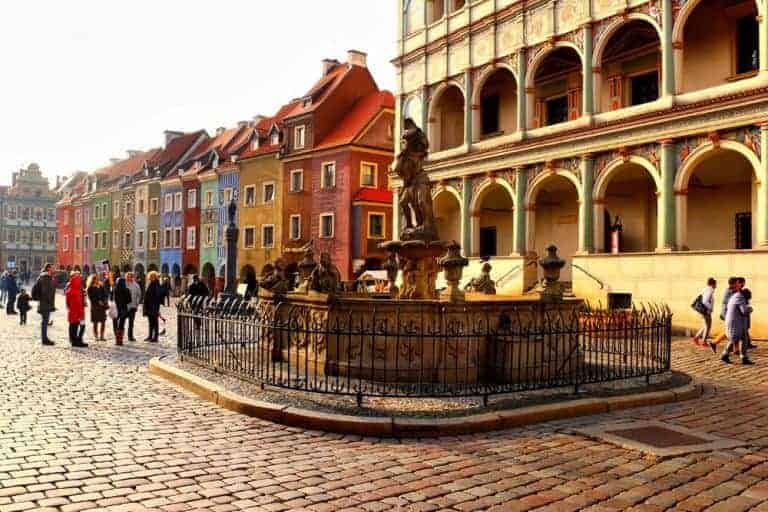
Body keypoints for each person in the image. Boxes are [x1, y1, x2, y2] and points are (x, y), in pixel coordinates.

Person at [722, 282, 753, 365]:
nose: (748, 301)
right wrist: (750, 309)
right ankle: (725, 354)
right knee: (734, 338)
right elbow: (744, 311)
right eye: (748, 299)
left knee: (742, 339)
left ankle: (743, 357)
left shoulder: (736, 296)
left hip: (736, 322)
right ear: (746, 296)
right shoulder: (740, 298)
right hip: (735, 322)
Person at [31, 264, 56, 346]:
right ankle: (44, 339)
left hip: (44, 302)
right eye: (53, 268)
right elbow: (45, 292)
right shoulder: (46, 277)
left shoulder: (44, 277)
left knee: (45, 321)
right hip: (45, 303)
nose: (54, 269)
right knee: (45, 322)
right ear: (49, 268)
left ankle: (44, 338)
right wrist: (49, 301)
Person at [65, 272, 88, 348]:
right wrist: (81, 313)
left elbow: (67, 303)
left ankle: (74, 340)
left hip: (72, 312)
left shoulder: (70, 290)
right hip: (78, 312)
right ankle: (77, 341)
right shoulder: (77, 291)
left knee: (72, 326)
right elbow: (79, 304)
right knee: (79, 326)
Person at [692, 278, 716, 347]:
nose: (716, 286)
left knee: (705, 325)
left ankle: (696, 338)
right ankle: (703, 341)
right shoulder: (710, 290)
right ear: (712, 284)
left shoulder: (706, 289)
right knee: (708, 326)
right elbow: (705, 301)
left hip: (702, 310)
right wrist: (710, 308)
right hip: (705, 311)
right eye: (715, 284)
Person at [86, 274, 108, 341]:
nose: (97, 280)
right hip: (95, 306)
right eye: (95, 279)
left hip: (102, 306)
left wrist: (104, 301)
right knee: (95, 322)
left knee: (103, 321)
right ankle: (96, 336)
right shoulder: (90, 288)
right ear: (92, 280)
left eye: (97, 279)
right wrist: (98, 301)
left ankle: (102, 336)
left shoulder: (101, 286)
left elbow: (105, 294)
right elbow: (91, 297)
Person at [143, 271, 163, 342]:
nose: (151, 278)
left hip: (153, 306)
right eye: (151, 276)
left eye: (153, 276)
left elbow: (157, 297)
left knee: (155, 322)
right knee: (150, 322)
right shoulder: (151, 284)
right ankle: (150, 336)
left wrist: (155, 307)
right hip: (149, 306)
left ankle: (155, 337)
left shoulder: (156, 285)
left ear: (155, 277)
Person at [113, 276, 131, 346]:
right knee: (122, 324)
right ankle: (120, 340)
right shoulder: (127, 290)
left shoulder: (115, 290)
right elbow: (129, 300)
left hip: (116, 308)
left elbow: (112, 299)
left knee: (115, 324)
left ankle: (117, 340)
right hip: (124, 309)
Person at [125, 272, 142, 342]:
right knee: (121, 321)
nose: (129, 278)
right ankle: (120, 335)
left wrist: (136, 304)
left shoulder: (136, 285)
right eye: (128, 276)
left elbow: (139, 295)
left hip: (133, 306)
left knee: (131, 322)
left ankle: (130, 336)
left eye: (131, 276)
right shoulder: (123, 284)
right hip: (124, 306)